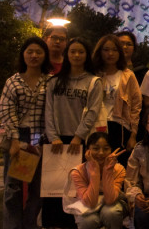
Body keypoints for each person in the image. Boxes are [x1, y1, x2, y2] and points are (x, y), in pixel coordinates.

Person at [45, 37, 103, 228]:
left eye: (81, 52)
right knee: (53, 188)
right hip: (56, 141)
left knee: (77, 188)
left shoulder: (94, 82)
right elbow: (49, 111)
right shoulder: (54, 82)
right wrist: (53, 137)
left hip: (80, 141)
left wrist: (78, 136)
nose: (76, 55)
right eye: (72, 51)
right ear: (66, 54)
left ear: (87, 55)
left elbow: (93, 112)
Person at [0, 36, 52, 229]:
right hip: (19, 136)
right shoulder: (13, 81)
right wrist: (14, 139)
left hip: (41, 137)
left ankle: (29, 224)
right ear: (23, 55)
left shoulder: (50, 82)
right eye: (30, 52)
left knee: (38, 189)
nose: (34, 55)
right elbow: (6, 110)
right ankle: (13, 226)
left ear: (45, 56)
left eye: (39, 52)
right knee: (13, 188)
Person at [93, 34, 141, 165]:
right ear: (100, 51)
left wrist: (133, 135)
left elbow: (136, 106)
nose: (110, 54)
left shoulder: (128, 75)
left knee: (117, 167)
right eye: (106, 50)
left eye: (114, 50)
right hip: (96, 125)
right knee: (95, 166)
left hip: (120, 127)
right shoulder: (93, 74)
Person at [65, 132, 126, 229]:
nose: (101, 153)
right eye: (96, 148)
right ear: (87, 151)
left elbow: (110, 200)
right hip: (87, 205)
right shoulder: (78, 172)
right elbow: (90, 203)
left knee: (111, 213)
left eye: (106, 149)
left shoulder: (119, 169)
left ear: (111, 150)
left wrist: (108, 169)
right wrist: (94, 171)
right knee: (87, 221)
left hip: (110, 204)